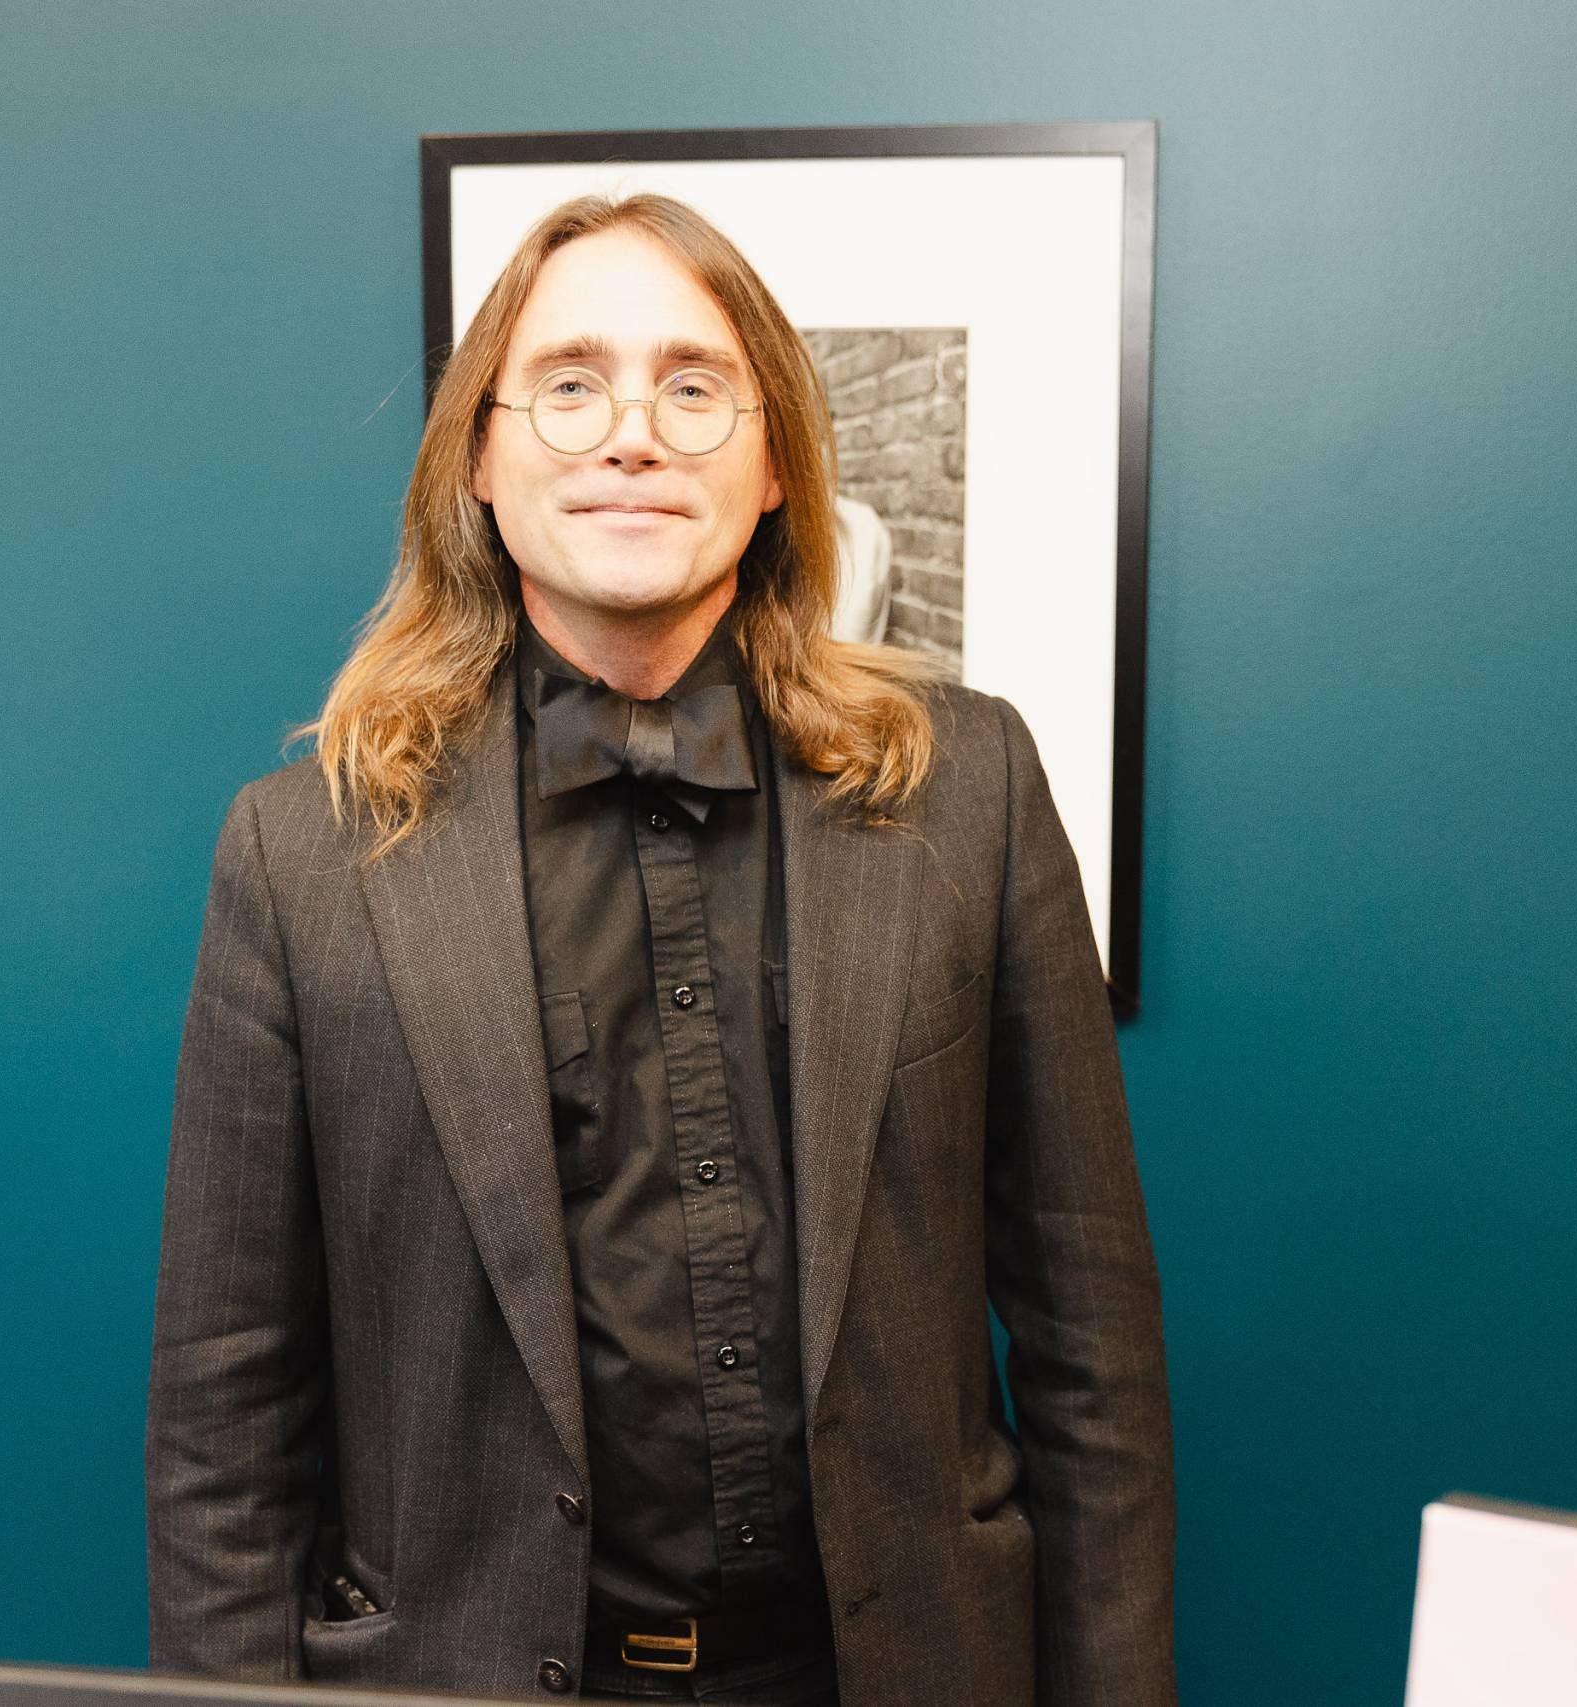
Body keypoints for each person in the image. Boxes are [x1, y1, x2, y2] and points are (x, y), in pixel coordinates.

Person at [147, 191, 1174, 1707]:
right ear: (479, 459)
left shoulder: (972, 793)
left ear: (775, 465)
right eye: (569, 385)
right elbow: (224, 1417)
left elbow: (1095, 1353)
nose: (632, 435)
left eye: (694, 388)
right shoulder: (302, 856)